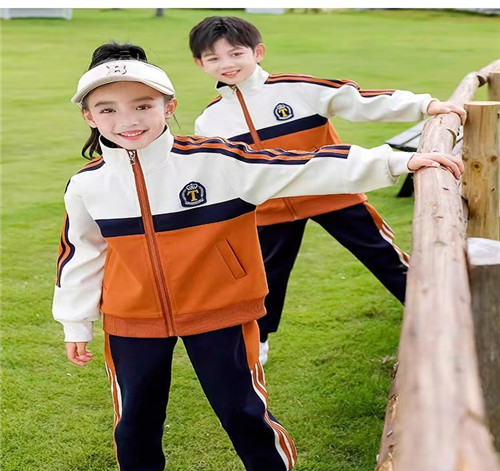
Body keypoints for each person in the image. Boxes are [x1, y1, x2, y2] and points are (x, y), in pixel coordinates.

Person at [52, 42, 462, 471]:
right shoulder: (86, 184)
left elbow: (304, 165)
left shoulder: (216, 158)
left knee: (240, 407)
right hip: (131, 317)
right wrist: (75, 322)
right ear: (89, 115)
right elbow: (80, 254)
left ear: (168, 106)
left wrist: (397, 161)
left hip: (220, 310)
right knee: (135, 410)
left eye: (142, 105)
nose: (127, 120)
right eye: (108, 109)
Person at [189, 16, 467, 365]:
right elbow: (225, 172)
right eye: (213, 59)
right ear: (200, 64)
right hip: (270, 209)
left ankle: (436, 319)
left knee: (383, 256)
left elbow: (360, 101)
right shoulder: (209, 120)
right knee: (265, 279)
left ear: (257, 52)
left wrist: (424, 106)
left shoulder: (296, 88)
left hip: (335, 191)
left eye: (235, 53)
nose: (226, 64)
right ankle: (257, 341)